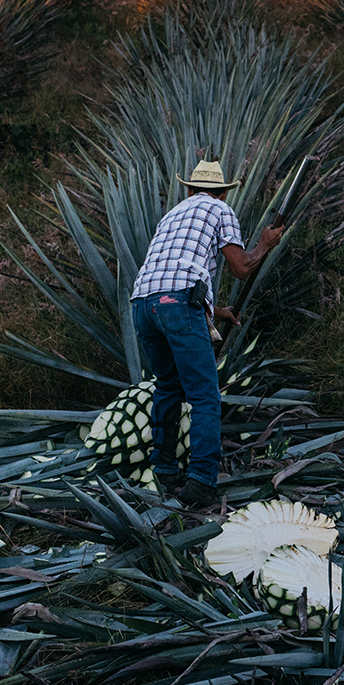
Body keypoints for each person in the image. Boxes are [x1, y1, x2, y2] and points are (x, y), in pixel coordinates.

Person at [130, 159, 284, 510]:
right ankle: (201, 482)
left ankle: (165, 470)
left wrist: (216, 311)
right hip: (178, 304)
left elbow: (165, 282)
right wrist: (264, 244)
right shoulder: (220, 209)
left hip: (143, 306)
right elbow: (241, 268)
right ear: (222, 191)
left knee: (168, 386)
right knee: (205, 396)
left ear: (188, 189)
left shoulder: (171, 216)